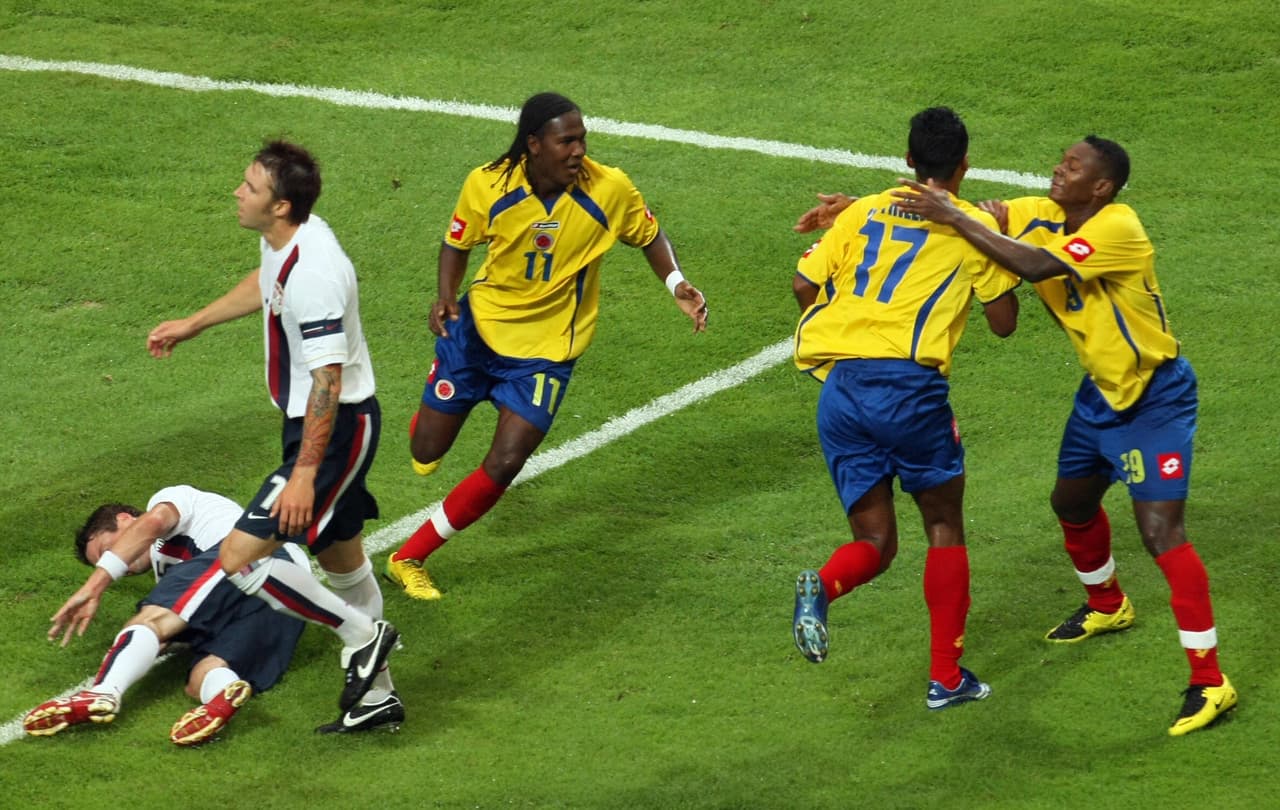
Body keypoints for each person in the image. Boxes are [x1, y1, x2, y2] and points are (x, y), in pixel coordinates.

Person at [880, 135, 1235, 735]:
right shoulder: (1046, 212)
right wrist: (862, 211)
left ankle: (1210, 682)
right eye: (1062, 160)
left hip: (1155, 399)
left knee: (1161, 532)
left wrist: (953, 217)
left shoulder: (1119, 226)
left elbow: (1036, 264)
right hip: (1100, 394)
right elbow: (972, 210)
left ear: (1101, 187)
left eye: (1073, 167)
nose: (1057, 169)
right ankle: (1107, 605)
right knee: (1070, 502)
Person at [75, 139, 403, 722]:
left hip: (331, 431)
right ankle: (377, 699)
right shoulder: (288, 242)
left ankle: (361, 636)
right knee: (345, 564)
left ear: (280, 205)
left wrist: (304, 474)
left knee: (239, 558)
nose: (237, 192)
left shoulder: (317, 276)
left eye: (250, 187)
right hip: (316, 423)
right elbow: (266, 280)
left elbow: (328, 379)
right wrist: (196, 322)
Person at [385, 92, 709, 600]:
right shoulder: (488, 184)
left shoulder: (610, 189)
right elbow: (457, 242)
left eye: (582, 139)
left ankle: (409, 556)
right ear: (535, 145)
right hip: (477, 334)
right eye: (567, 141)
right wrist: (446, 298)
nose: (579, 150)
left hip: (548, 351)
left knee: (507, 460)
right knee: (426, 451)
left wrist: (677, 285)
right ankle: (444, 400)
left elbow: (648, 234)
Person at [789, 107, 1020, 711]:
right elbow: (1003, 324)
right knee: (943, 525)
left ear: (909, 159)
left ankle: (825, 585)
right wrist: (1000, 245)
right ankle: (946, 678)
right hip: (910, 392)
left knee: (874, 540)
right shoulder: (971, 227)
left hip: (841, 391)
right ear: (965, 165)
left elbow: (802, 284)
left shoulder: (863, 208)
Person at [26, 486, 402, 743]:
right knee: (201, 674)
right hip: (289, 594)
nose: (119, 564)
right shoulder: (168, 572)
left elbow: (154, 523)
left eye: (111, 549)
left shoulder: (171, 502)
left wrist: (97, 583)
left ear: (125, 520)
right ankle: (222, 693)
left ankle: (104, 692)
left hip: (247, 559)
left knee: (149, 622)